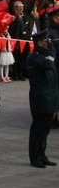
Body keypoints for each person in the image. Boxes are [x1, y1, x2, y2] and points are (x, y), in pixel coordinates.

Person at [26, 30, 59, 168]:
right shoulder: (35, 57)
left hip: (49, 97)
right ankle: (35, 157)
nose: (48, 44)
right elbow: (49, 63)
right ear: (40, 42)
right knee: (37, 128)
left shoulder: (45, 56)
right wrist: (51, 50)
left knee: (45, 129)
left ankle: (42, 154)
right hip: (39, 98)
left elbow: (54, 82)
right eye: (46, 41)